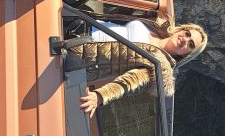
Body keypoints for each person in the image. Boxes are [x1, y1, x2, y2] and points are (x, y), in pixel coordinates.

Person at [72, 21, 207, 117]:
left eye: (190, 44)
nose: (185, 39)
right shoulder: (156, 26)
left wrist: (100, 97)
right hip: (83, 23)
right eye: (187, 33)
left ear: (186, 55)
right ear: (181, 30)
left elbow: (131, 83)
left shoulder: (160, 67)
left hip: (81, 54)